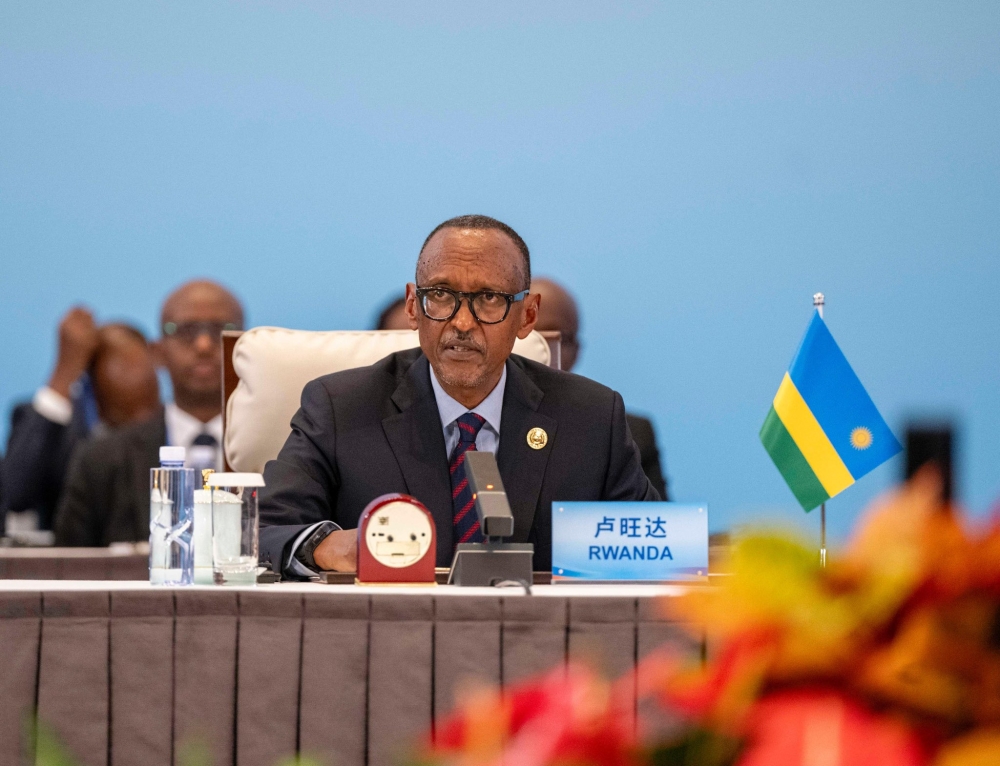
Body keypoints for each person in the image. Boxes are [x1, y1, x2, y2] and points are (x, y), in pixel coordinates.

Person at [260, 214, 658, 578]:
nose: (462, 323)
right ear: (414, 306)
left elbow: (655, 550)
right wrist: (326, 547)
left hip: (541, 643)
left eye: (489, 298)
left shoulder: (589, 417)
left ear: (528, 316)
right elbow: (265, 528)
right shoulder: (341, 407)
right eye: (442, 295)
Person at [377, 280, 670, 499]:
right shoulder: (349, 413)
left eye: (554, 337)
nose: (534, 348)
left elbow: (657, 545)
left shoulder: (603, 425)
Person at [53, 280, 244, 546]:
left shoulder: (282, 452)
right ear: (158, 352)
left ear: (245, 347)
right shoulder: (102, 459)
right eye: (186, 331)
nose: (203, 345)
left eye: (220, 329)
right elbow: (68, 571)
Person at [2, 310, 160, 532]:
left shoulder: (174, 426)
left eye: (147, 368)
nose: (140, 378)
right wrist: (64, 374)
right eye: (125, 367)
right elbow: (13, 495)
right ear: (93, 381)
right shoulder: (57, 431)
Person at [531, 277, 669, 500]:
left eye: (556, 339)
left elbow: (663, 527)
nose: (541, 351)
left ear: (576, 350)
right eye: (529, 337)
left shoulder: (629, 435)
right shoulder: (476, 426)